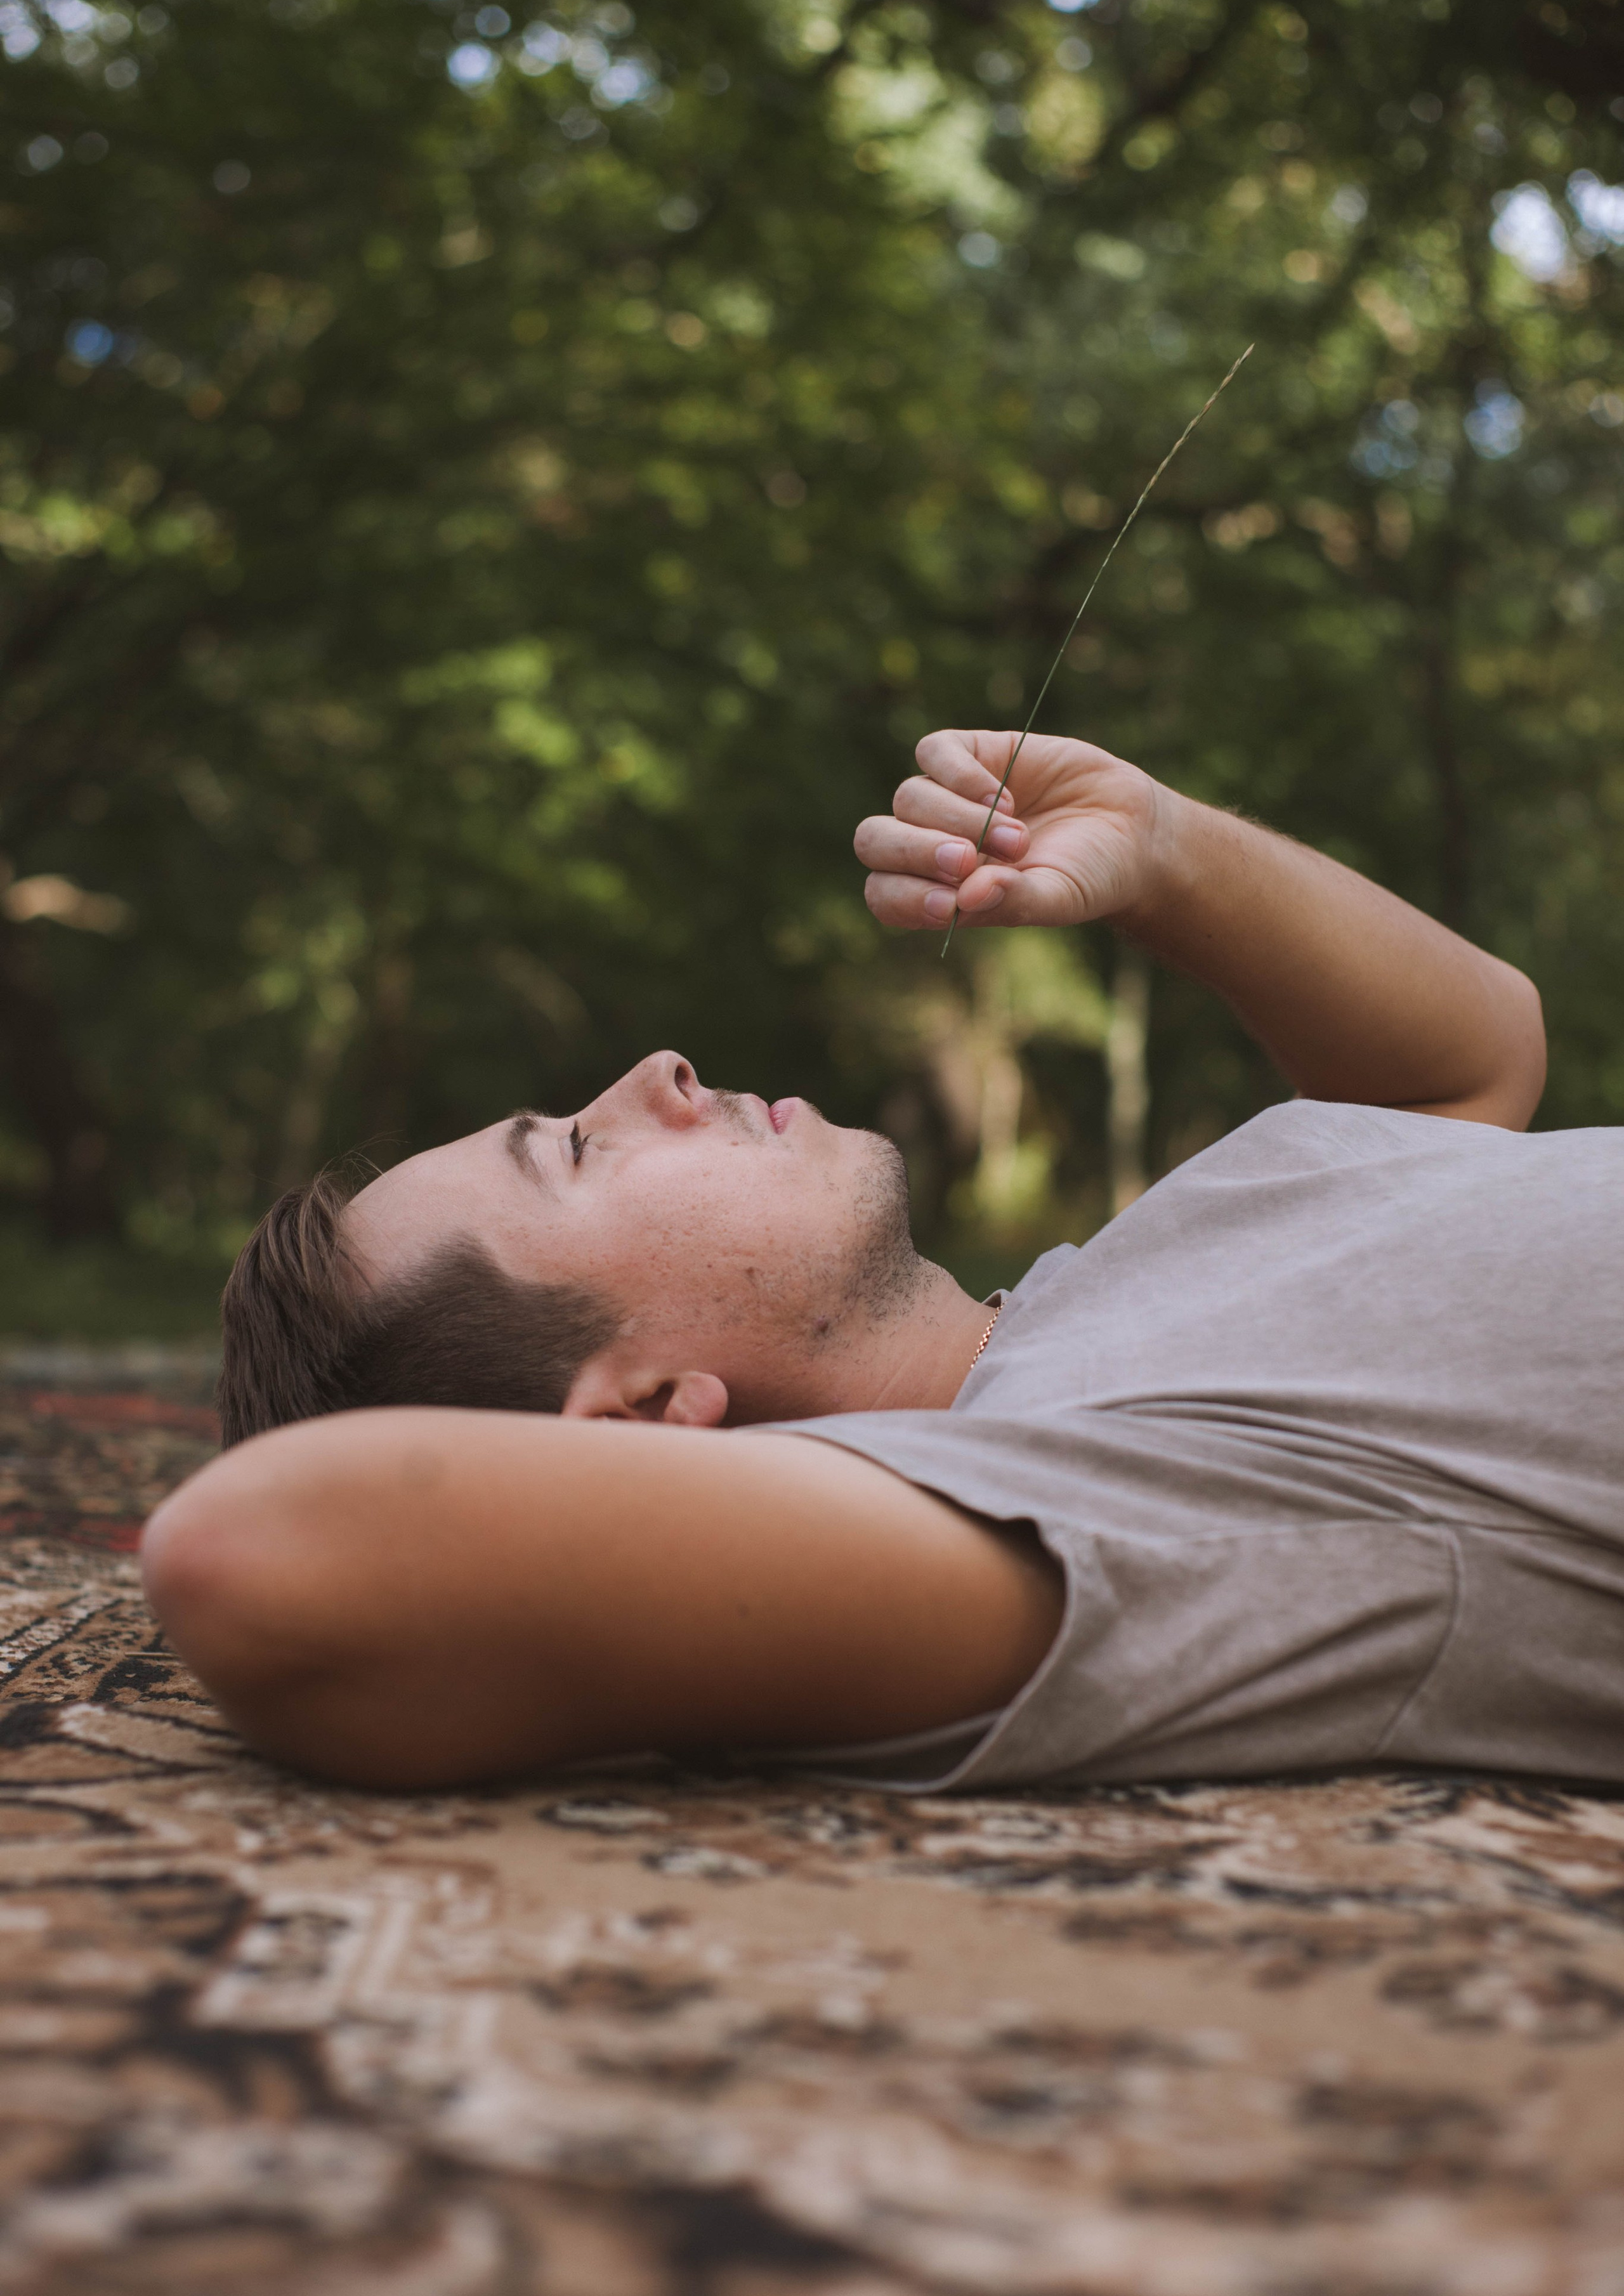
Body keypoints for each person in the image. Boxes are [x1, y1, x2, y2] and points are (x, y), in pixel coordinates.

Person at [147, 727, 1624, 1801]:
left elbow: (1469, 1066)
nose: (656, 1069)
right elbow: (256, 1556)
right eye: (577, 1152)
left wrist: (1163, 850)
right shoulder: (1061, 1501)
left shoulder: (1099, 1287)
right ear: (648, 1418)